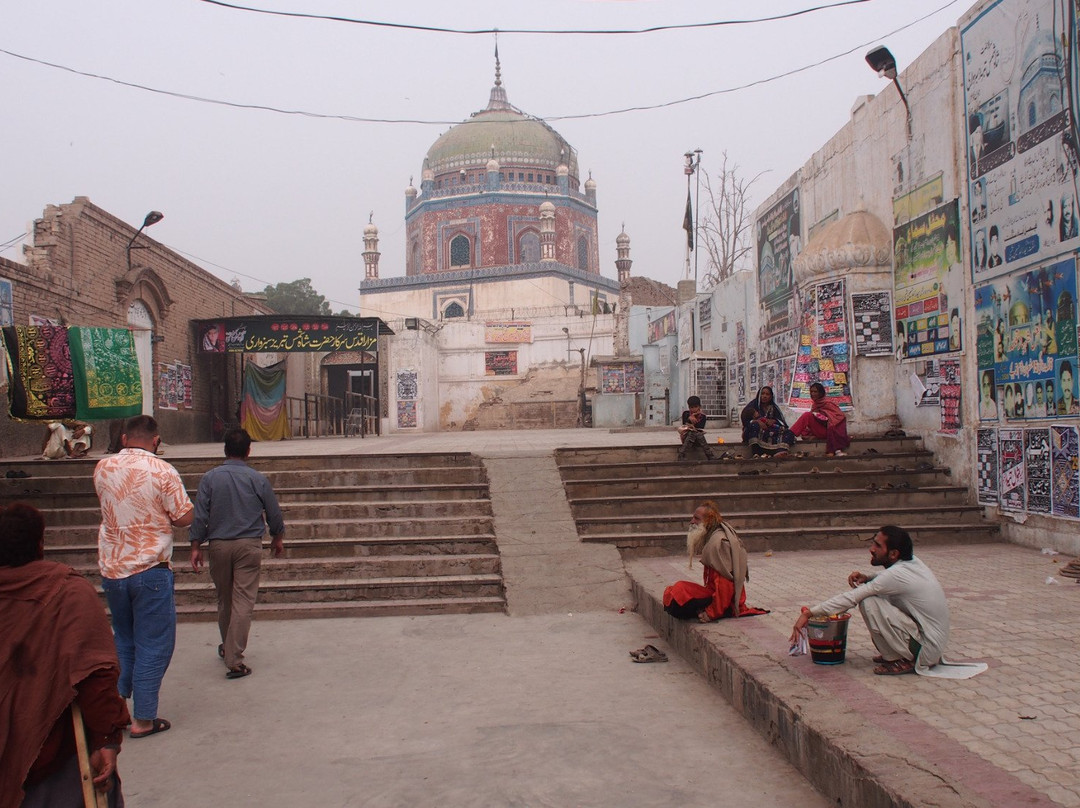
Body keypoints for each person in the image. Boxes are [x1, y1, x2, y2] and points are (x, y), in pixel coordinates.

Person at [1, 503, 130, 807]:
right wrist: (105, 740)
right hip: (50, 752)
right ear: (40, 544)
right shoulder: (67, 593)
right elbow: (95, 674)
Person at [93, 415, 193, 739]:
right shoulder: (163, 471)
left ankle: (116, 709)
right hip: (151, 569)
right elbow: (183, 517)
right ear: (156, 441)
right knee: (154, 644)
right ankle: (144, 719)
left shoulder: (102, 468)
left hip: (113, 570)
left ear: (124, 438)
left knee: (123, 639)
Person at [189, 428, 285, 679]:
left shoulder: (210, 478)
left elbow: (200, 514)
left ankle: (227, 647)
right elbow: (273, 512)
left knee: (225, 599)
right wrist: (277, 537)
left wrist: (195, 545)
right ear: (248, 451)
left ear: (225, 450)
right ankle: (234, 657)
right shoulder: (257, 479)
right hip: (248, 545)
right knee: (243, 601)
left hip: (219, 545)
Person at [789, 526, 949, 676]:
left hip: (926, 651)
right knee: (876, 596)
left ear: (893, 554)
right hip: (931, 646)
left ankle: (901, 659)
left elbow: (852, 597)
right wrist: (867, 577)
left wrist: (809, 614)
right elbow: (887, 578)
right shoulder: (912, 562)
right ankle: (898, 651)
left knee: (869, 601)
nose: (871, 549)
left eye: (878, 546)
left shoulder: (896, 575)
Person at [662, 501, 768, 623]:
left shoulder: (718, 543)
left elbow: (725, 585)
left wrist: (711, 613)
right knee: (675, 591)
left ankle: (719, 610)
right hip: (715, 594)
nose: (692, 522)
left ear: (708, 521)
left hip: (726, 602)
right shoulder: (713, 537)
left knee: (678, 592)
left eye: (697, 519)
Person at [790, 382, 850, 456]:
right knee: (807, 422)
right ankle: (790, 435)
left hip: (830, 431)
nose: (813, 394)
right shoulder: (815, 405)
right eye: (811, 392)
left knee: (807, 415)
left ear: (821, 393)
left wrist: (827, 418)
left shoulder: (828, 403)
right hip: (820, 430)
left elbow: (840, 417)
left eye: (815, 392)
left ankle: (789, 435)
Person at [740, 386, 795, 457]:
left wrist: (773, 421)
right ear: (759, 395)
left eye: (767, 394)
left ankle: (779, 451)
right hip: (755, 430)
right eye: (762, 394)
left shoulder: (773, 407)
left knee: (788, 432)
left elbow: (781, 422)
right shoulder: (752, 406)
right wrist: (757, 422)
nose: (764, 396)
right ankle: (757, 452)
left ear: (771, 396)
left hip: (770, 430)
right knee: (755, 426)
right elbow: (745, 420)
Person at [677, 395, 715, 461]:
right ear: (689, 407)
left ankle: (681, 453)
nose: (694, 409)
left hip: (698, 440)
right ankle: (710, 455)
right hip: (687, 439)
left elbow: (700, 426)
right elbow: (684, 425)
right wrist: (689, 418)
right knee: (693, 433)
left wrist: (694, 418)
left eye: (696, 407)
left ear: (699, 407)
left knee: (696, 433)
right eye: (692, 407)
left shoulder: (703, 416)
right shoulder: (686, 414)